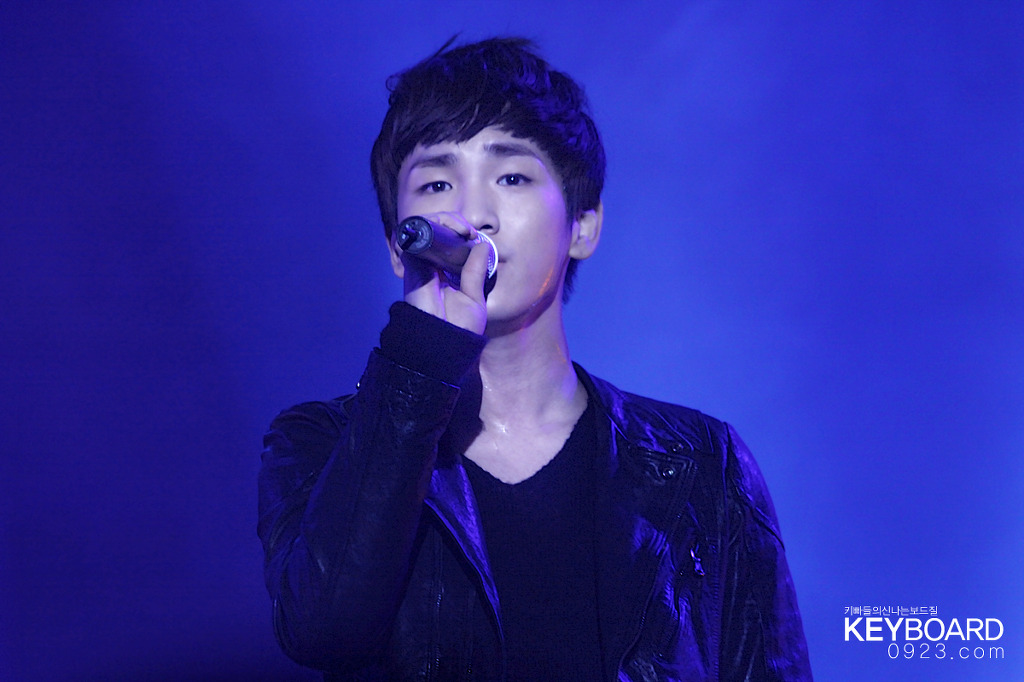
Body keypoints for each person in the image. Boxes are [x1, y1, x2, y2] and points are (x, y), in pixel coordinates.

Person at [258, 37, 812, 681]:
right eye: (437, 183)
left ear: (584, 224)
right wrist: (420, 360)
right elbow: (324, 631)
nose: (474, 215)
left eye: (512, 177)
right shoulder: (320, 443)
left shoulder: (701, 464)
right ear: (396, 244)